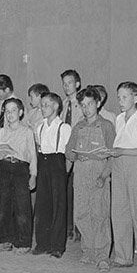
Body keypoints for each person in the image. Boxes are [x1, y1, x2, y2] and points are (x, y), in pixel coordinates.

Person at [66, 88, 115, 269]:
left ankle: (102, 255)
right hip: (80, 174)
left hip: (99, 173)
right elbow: (68, 152)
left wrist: (104, 175)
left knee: (100, 213)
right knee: (81, 214)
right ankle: (88, 250)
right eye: (83, 105)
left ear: (98, 103)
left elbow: (113, 155)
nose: (86, 109)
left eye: (90, 104)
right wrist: (77, 156)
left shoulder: (106, 126)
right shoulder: (78, 127)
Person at [107, 81, 137, 271]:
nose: (121, 101)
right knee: (119, 211)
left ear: (136, 98)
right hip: (118, 165)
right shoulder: (118, 119)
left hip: (134, 164)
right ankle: (123, 256)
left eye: (125, 97)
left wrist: (123, 151)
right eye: (119, 97)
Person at [0, 98, 37, 252]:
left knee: (22, 206)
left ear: (21, 112)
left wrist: (33, 175)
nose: (10, 114)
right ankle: (5, 240)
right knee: (4, 205)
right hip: (4, 168)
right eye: (7, 111)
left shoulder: (27, 132)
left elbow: (32, 155)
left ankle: (24, 242)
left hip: (20, 169)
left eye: (13, 110)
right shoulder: (1, 132)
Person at [32, 92, 71, 258]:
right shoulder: (39, 127)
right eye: (41, 105)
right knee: (42, 205)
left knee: (58, 206)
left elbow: (68, 156)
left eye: (46, 105)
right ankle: (42, 243)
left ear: (56, 106)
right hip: (43, 163)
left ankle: (57, 246)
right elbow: (39, 149)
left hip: (57, 164)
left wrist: (64, 174)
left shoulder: (64, 128)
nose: (43, 108)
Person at [60, 68, 82, 239]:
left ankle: (79, 229)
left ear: (77, 84)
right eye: (64, 84)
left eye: (70, 83)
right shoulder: (63, 105)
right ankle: (68, 227)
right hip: (65, 153)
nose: (67, 87)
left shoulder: (82, 104)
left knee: (78, 192)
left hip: (79, 153)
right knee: (65, 191)